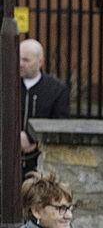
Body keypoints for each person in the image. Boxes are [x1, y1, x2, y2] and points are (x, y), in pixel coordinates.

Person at [18, 40, 70, 175]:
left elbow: (60, 122)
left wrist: (31, 138)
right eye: (18, 58)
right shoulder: (8, 84)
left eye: (26, 60)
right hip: (11, 158)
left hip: (41, 159)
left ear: (40, 62)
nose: (20, 64)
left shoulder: (57, 89)